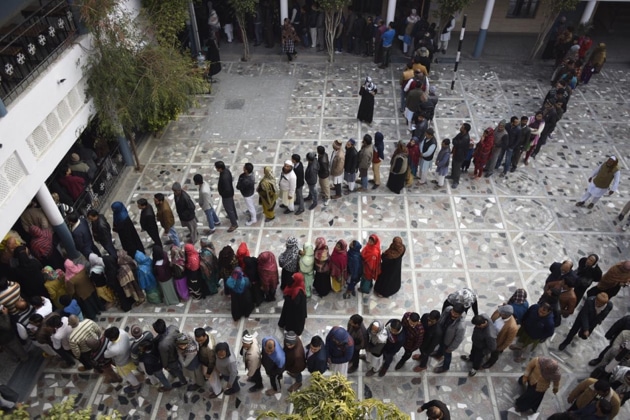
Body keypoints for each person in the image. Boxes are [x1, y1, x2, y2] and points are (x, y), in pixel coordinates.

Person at [103, 326, 142, 394]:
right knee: (137, 365)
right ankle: (142, 371)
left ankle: (136, 385)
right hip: (130, 355)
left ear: (112, 338)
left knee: (128, 375)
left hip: (123, 363)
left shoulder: (113, 349)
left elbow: (106, 355)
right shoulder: (122, 332)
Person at [152, 319, 187, 387]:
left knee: (177, 370)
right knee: (179, 367)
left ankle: (183, 381)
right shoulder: (173, 328)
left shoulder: (162, 345)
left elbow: (164, 357)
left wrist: (165, 366)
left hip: (172, 360)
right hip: (179, 352)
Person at [482, 305, 518, 369]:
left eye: (501, 312)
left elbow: (508, 341)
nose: (499, 312)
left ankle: (490, 363)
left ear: (506, 315)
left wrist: (500, 348)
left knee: (495, 354)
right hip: (489, 335)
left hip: (497, 341)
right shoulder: (498, 312)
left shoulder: (513, 327)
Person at [433, 304, 466, 373]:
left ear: (460, 314)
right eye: (453, 312)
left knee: (447, 354)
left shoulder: (461, 326)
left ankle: (445, 367)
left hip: (448, 342)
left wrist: (451, 348)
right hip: (442, 335)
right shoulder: (448, 309)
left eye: (456, 314)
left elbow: (458, 339)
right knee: (441, 346)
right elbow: (442, 317)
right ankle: (438, 354)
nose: (453, 314)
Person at [194, 327, 221, 397]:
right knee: (216, 375)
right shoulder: (206, 335)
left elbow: (211, 362)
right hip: (206, 361)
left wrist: (208, 373)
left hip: (208, 364)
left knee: (212, 380)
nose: (199, 343)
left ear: (205, 336)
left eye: (201, 341)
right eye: (197, 341)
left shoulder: (210, 348)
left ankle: (217, 391)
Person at [215, 161, 238, 232]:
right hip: (230, 193)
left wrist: (222, 193)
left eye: (217, 168)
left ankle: (234, 224)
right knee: (232, 206)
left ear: (220, 168)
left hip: (226, 195)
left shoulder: (224, 177)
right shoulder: (226, 171)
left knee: (229, 209)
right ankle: (235, 216)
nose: (216, 169)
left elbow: (226, 188)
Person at [449, 123, 471, 189]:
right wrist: (455, 142)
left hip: (460, 155)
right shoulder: (460, 134)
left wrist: (456, 142)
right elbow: (454, 140)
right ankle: (452, 176)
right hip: (456, 153)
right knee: (453, 165)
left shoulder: (466, 138)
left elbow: (457, 143)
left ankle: (456, 181)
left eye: (462, 127)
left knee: (457, 168)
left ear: (465, 130)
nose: (461, 127)